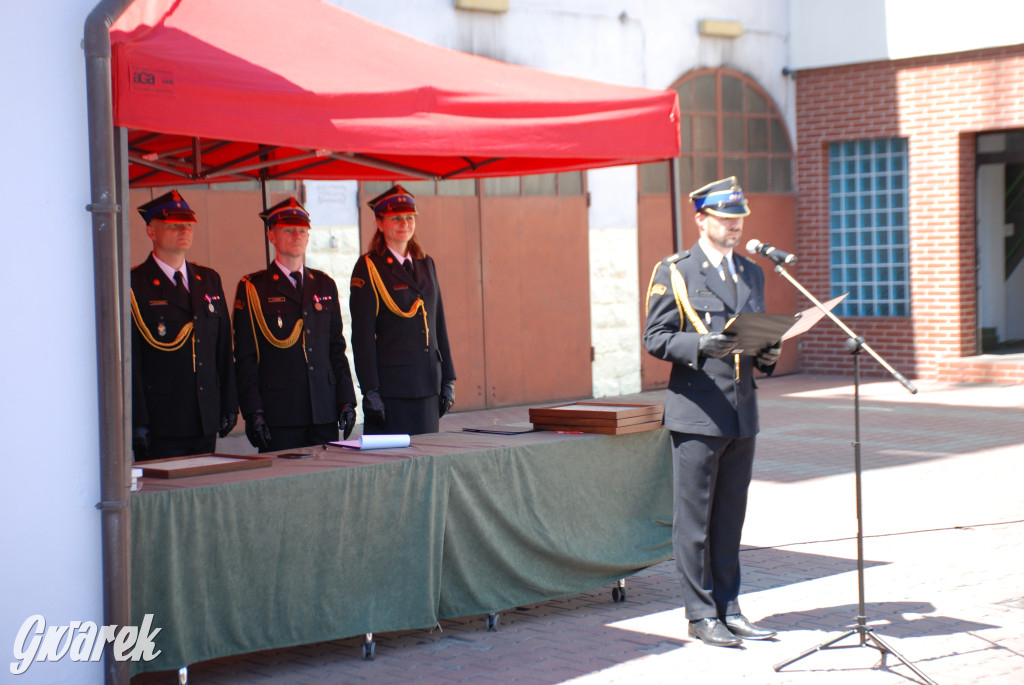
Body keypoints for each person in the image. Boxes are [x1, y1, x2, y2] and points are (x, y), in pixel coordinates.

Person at [642, 177, 783, 648]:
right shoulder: (676, 270)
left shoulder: (752, 272)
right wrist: (700, 344)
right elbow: (655, 336)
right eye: (726, 218)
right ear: (701, 219)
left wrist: (770, 350)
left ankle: (730, 606)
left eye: (739, 218)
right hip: (698, 411)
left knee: (730, 517)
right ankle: (700, 613)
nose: (735, 226)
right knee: (695, 518)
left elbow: (759, 345)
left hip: (742, 410)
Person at [232, 197, 357, 452]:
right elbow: (246, 358)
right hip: (280, 412)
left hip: (323, 410)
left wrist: (346, 399)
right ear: (272, 235)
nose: (297, 236)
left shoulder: (324, 284)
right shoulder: (254, 288)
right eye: (288, 230)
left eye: (302, 231)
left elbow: (336, 348)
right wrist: (253, 411)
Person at [130, 190, 238, 461]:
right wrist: (137, 421)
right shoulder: (135, 284)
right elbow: (132, 362)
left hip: (204, 417)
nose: (184, 231)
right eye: (174, 225)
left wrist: (228, 404)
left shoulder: (208, 279)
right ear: (151, 231)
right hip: (162, 421)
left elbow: (223, 349)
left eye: (188, 225)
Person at [349, 185, 456, 435]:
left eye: (409, 217)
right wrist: (370, 389)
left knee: (429, 463)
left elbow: (438, 323)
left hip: (429, 383)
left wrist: (448, 378)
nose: (404, 223)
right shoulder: (369, 267)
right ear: (380, 222)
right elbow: (362, 336)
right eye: (396, 218)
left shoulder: (426, 264)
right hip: (392, 390)